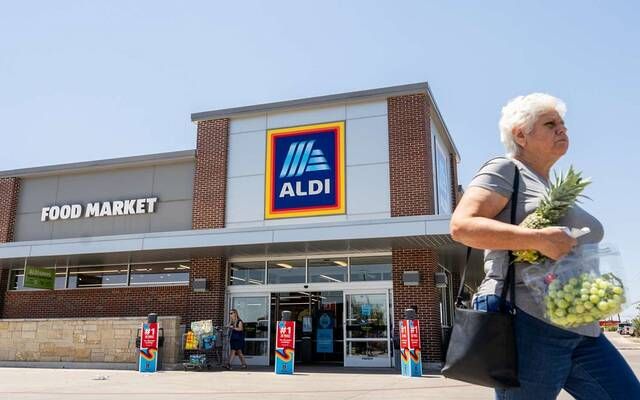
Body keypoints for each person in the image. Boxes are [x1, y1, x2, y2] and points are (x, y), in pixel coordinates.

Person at [450, 93, 640, 399]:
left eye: (563, 124)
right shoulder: (505, 169)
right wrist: (538, 239)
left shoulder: (551, 187)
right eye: (550, 124)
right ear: (520, 135)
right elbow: (462, 226)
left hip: (582, 325)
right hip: (530, 321)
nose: (562, 129)